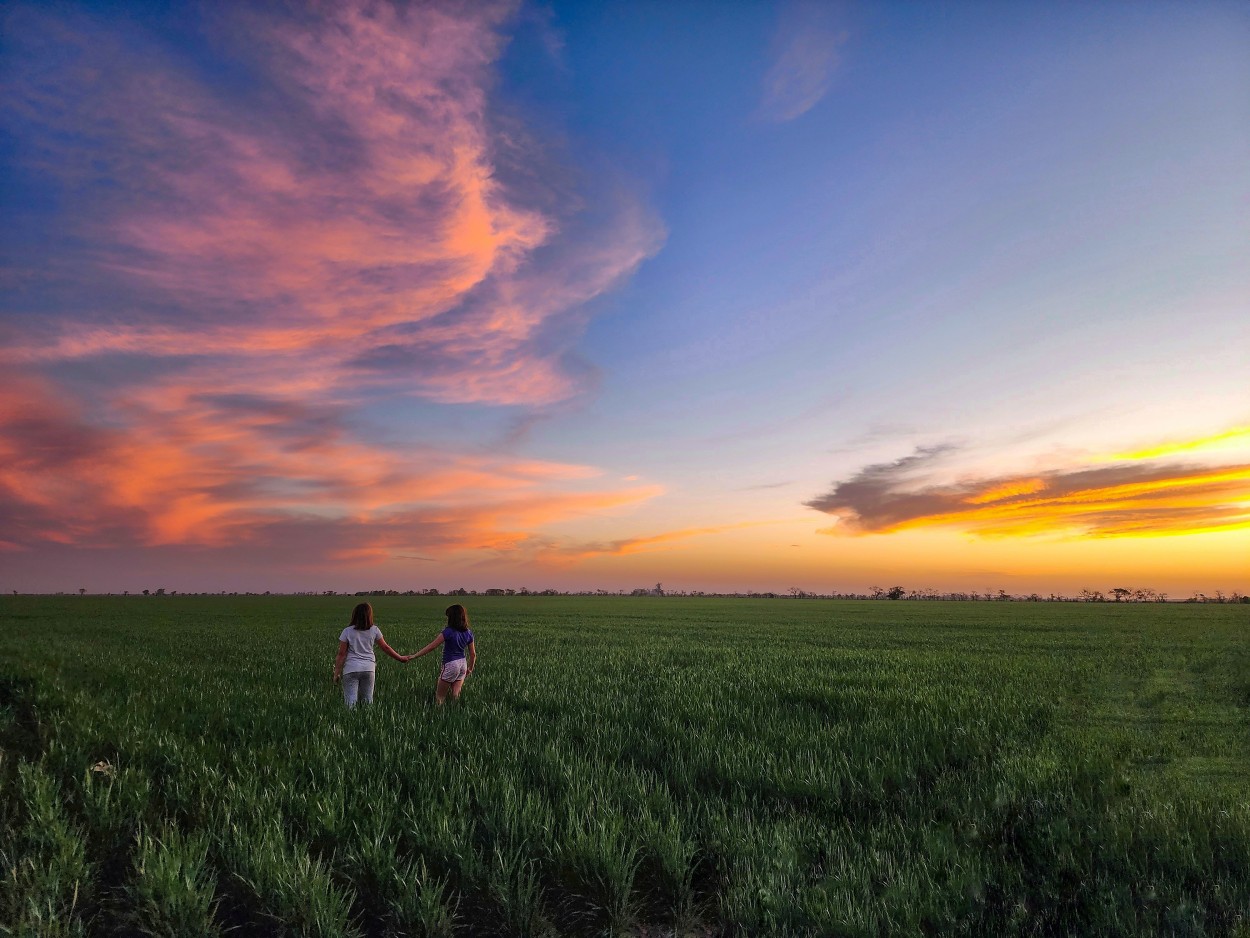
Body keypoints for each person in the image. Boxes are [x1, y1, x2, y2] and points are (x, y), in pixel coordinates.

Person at [332, 602, 412, 707]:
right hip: (368, 669)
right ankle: (367, 722)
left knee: (350, 702)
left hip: (351, 669)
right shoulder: (374, 630)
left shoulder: (347, 631)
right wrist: (400, 658)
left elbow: (341, 654)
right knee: (368, 701)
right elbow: (385, 647)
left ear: (354, 615)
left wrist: (336, 673)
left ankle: (351, 722)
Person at [411, 603, 476, 703]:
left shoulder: (448, 631)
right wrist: (470, 668)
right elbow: (473, 654)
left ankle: (439, 715)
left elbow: (431, 647)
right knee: (455, 695)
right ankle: (455, 713)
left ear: (452, 618)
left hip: (451, 664)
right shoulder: (468, 632)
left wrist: (414, 655)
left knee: (440, 696)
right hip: (463, 664)